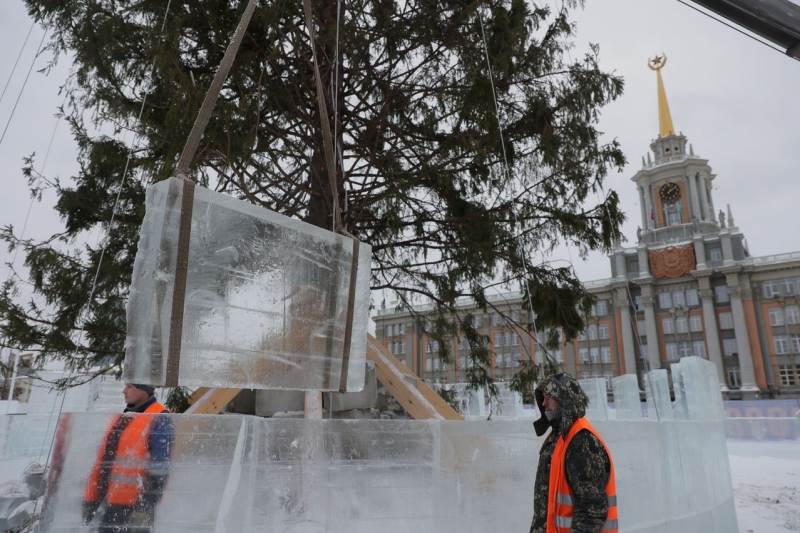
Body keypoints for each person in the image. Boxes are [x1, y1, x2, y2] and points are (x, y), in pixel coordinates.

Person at [530, 373, 618, 533]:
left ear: (565, 398)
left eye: (549, 397)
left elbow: (591, 512)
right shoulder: (558, 436)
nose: (543, 403)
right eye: (542, 397)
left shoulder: (581, 441)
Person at [83, 383, 173, 532]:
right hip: (105, 504)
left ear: (144, 390)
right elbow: (104, 463)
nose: (123, 391)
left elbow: (160, 469)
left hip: (131, 510)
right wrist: (91, 500)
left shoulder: (160, 417)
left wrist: (144, 508)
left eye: (130, 387)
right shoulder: (124, 417)